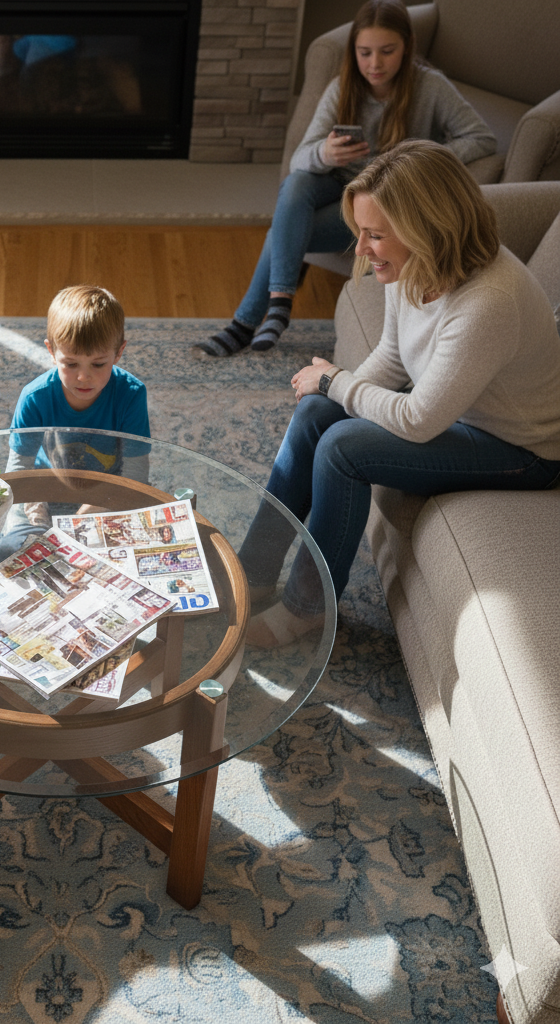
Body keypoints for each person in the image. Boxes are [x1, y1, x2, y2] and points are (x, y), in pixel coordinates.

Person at [239, 139, 560, 647]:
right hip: (459, 413)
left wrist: (335, 380)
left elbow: (418, 420)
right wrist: (334, 393)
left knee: (342, 448)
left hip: (522, 450)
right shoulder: (412, 266)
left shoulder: (489, 302)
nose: (360, 250)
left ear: (426, 230)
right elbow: (393, 356)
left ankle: (306, 609)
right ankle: (251, 574)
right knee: (319, 412)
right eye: (360, 232)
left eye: (375, 236)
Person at [193, 0, 495, 359]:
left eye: (387, 51)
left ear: (407, 47)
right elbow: (299, 160)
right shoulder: (342, 87)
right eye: (364, 53)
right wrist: (326, 153)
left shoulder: (430, 87)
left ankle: (244, 324)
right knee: (297, 183)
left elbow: (481, 138)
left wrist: (417, 157)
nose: (375, 63)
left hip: (379, 206)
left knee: (282, 232)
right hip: (337, 185)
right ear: (354, 50)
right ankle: (278, 304)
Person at [0, 284, 151, 561]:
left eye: (98, 364)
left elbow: (136, 474)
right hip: (43, 493)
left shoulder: (131, 394)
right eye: (70, 364)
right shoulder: (35, 397)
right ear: (51, 351)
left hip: (107, 492)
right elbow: (18, 471)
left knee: (132, 554)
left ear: (119, 352)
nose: (83, 377)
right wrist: (38, 518)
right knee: (11, 552)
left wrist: (88, 515)